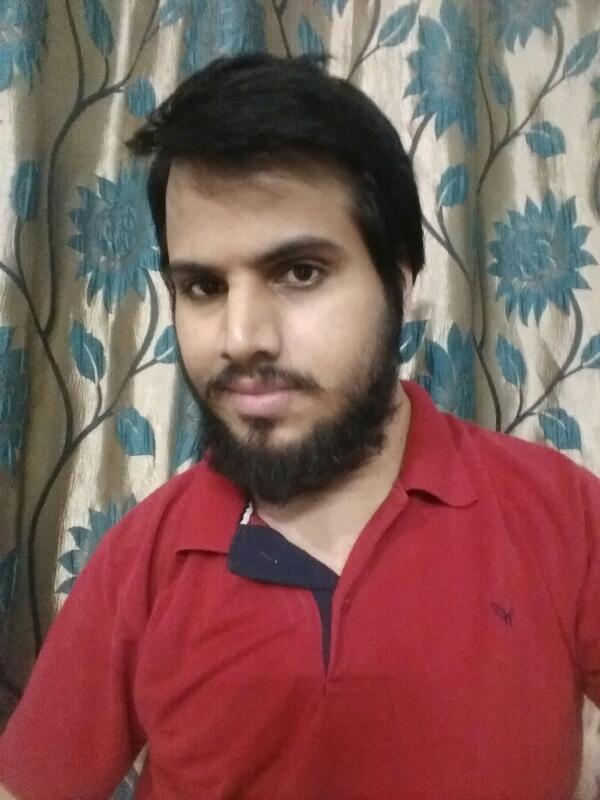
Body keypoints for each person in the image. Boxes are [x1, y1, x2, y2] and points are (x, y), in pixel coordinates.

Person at [0, 53, 598, 800]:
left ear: (399, 279)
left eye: (299, 272)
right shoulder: (144, 560)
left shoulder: (559, 515)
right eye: (203, 286)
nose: (241, 338)